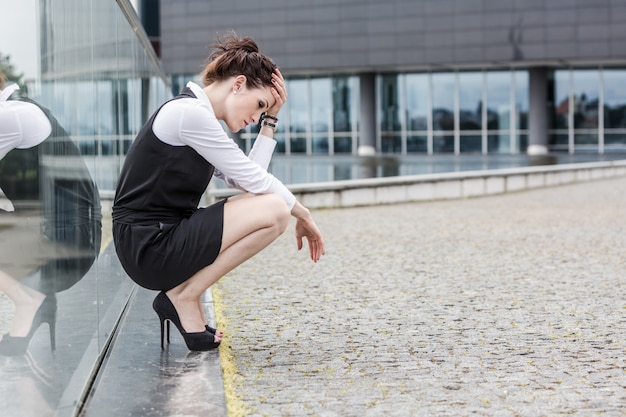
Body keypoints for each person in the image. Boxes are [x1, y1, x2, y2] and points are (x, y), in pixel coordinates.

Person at [112, 33, 325, 351]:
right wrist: (303, 213)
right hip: (147, 244)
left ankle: (182, 296)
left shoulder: (200, 117)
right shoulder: (189, 114)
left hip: (157, 238)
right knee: (277, 210)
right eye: (259, 106)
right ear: (238, 84)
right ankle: (184, 297)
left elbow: (249, 182)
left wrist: (271, 119)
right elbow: (254, 182)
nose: (255, 118)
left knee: (273, 208)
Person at [0, 71, 102, 356]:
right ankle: (31, 310)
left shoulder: (10, 115)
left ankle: (26, 299)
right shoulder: (18, 108)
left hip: (66, 245)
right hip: (64, 234)